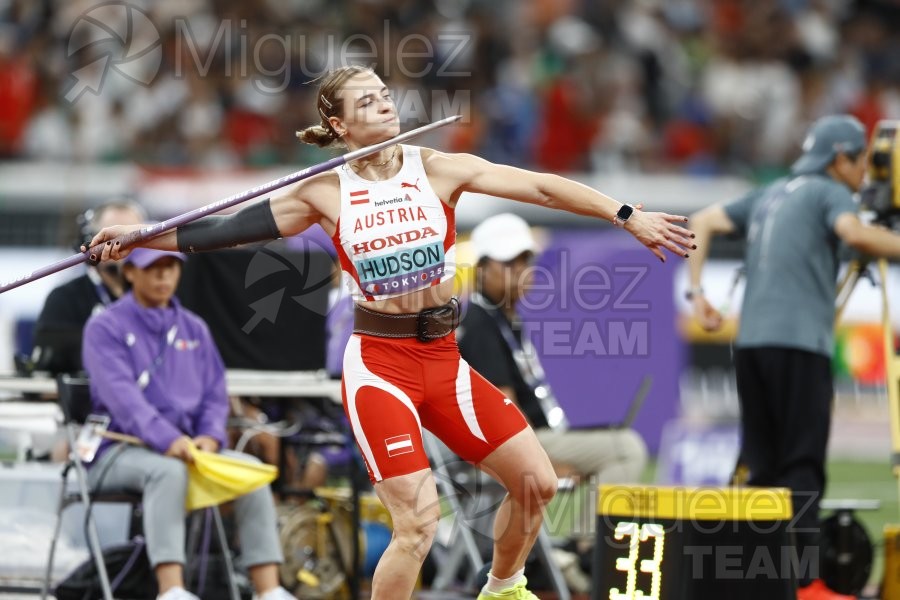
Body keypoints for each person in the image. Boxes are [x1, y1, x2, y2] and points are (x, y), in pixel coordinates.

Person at [88, 65, 694, 600]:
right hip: (381, 366)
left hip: (445, 361)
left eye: (385, 94)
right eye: (368, 101)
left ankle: (504, 588)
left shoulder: (435, 169)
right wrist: (139, 240)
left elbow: (538, 185)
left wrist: (627, 214)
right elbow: (225, 230)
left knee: (535, 481)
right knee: (418, 525)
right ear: (339, 124)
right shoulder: (324, 191)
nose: (386, 103)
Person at [687, 114, 900, 600]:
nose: (865, 170)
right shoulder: (829, 192)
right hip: (800, 342)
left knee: (763, 467)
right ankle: (805, 583)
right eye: (861, 160)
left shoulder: (772, 191)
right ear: (840, 158)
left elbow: (701, 221)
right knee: (802, 464)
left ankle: (761, 581)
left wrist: (697, 294)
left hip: (753, 343)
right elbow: (857, 235)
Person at [81, 247, 294, 600]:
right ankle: (172, 589)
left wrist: (211, 437)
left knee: (252, 472)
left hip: (191, 449)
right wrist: (168, 440)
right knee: (168, 472)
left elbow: (214, 393)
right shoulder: (104, 326)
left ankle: (268, 589)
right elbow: (124, 400)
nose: (164, 276)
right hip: (118, 448)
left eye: (170, 267)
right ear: (130, 272)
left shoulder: (194, 327)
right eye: (153, 269)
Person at [457, 213, 648, 592]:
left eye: (525, 261)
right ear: (482, 268)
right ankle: (584, 548)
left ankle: (575, 549)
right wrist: (543, 461)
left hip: (534, 435)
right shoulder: (478, 320)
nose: (521, 271)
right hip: (511, 443)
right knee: (626, 448)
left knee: (617, 440)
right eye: (509, 263)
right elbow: (502, 410)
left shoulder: (503, 318)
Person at [32, 199, 146, 375]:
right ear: (89, 241)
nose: (123, 245)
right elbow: (52, 357)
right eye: (113, 237)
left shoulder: (160, 295)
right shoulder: (63, 298)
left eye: (133, 236)